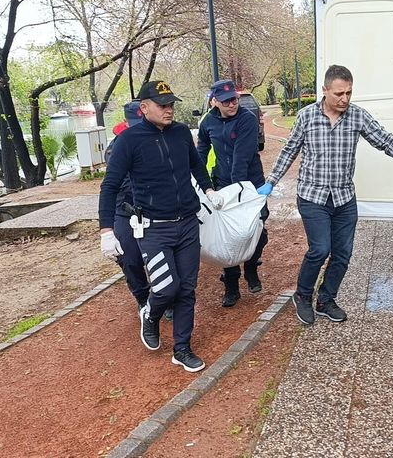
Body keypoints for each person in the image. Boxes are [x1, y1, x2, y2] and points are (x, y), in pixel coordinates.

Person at [257, 65, 393, 324]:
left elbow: (385, 140)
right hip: (312, 196)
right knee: (320, 249)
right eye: (339, 93)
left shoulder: (357, 116)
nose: (344, 99)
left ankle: (326, 299)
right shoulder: (306, 117)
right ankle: (302, 295)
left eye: (349, 93)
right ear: (325, 90)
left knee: (343, 254)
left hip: (344, 198)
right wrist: (271, 181)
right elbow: (289, 151)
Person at [99, 80, 224, 372]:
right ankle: (151, 315)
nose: (169, 110)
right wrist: (106, 230)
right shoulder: (128, 141)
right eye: (162, 105)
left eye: (171, 105)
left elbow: (195, 164)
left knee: (187, 289)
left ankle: (182, 349)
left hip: (187, 223)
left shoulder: (181, 133)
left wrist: (208, 189)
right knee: (167, 288)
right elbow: (110, 186)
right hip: (153, 227)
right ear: (144, 108)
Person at [197, 79, 269, 307]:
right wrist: (199, 180)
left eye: (234, 99)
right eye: (226, 101)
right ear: (215, 101)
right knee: (226, 235)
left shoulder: (246, 119)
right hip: (222, 184)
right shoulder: (208, 122)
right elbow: (201, 150)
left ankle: (251, 266)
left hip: (250, 183)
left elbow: (242, 157)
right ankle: (231, 284)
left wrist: (238, 194)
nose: (232, 104)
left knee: (257, 228)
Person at [104, 101, 150, 311]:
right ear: (126, 122)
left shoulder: (159, 140)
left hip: (155, 207)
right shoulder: (116, 148)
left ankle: (167, 297)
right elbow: (117, 184)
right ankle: (143, 297)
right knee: (128, 256)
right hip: (126, 209)